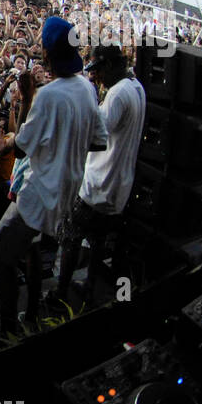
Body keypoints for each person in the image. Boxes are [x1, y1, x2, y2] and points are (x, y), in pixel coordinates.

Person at [0, 17, 107, 352]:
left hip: (38, 191)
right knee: (30, 250)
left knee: (0, 252)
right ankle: (30, 316)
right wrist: (66, 144)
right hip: (67, 191)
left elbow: (21, 147)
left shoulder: (49, 96)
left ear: (46, 52)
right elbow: (99, 143)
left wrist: (29, 99)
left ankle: (7, 332)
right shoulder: (87, 90)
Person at [52, 43, 146, 302]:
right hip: (118, 188)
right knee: (98, 242)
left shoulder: (117, 94)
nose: (96, 76)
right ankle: (90, 288)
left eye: (98, 70)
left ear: (111, 65)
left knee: (70, 237)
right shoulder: (137, 87)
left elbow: (96, 136)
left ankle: (60, 294)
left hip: (97, 185)